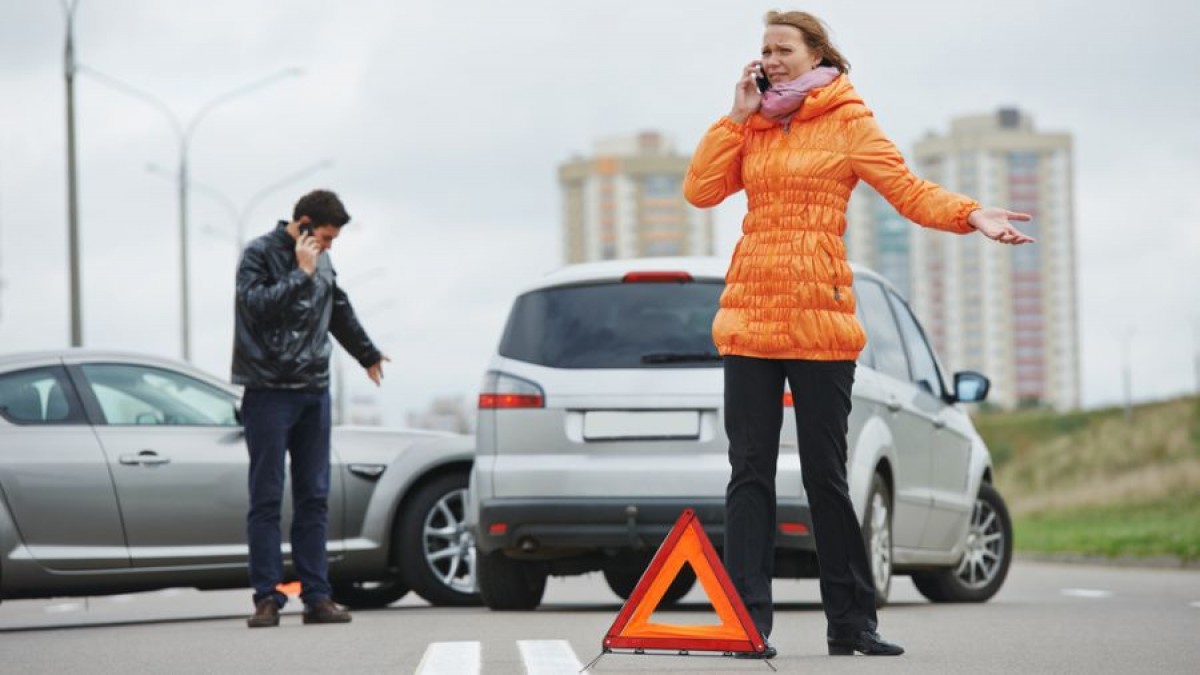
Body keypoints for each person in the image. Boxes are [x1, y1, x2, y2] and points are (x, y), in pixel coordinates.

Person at [683, 10, 1033, 659]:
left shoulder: (848, 120)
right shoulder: (753, 123)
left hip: (820, 324)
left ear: (816, 52)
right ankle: (747, 624)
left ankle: (851, 621)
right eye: (764, 49)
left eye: (783, 48)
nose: (771, 58)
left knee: (826, 476)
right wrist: (733, 116)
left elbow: (906, 190)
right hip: (751, 321)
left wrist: (971, 213)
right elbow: (700, 190)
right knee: (749, 473)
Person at [232, 189, 390, 628]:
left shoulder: (322, 259)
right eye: (324, 236)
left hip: (313, 391)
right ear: (302, 224)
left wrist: (367, 354)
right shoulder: (258, 254)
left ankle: (317, 597)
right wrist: (300, 274)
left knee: (314, 499)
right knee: (266, 498)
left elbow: (336, 306)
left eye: (332, 240)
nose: (328, 246)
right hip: (267, 391)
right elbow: (254, 307)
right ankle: (266, 597)